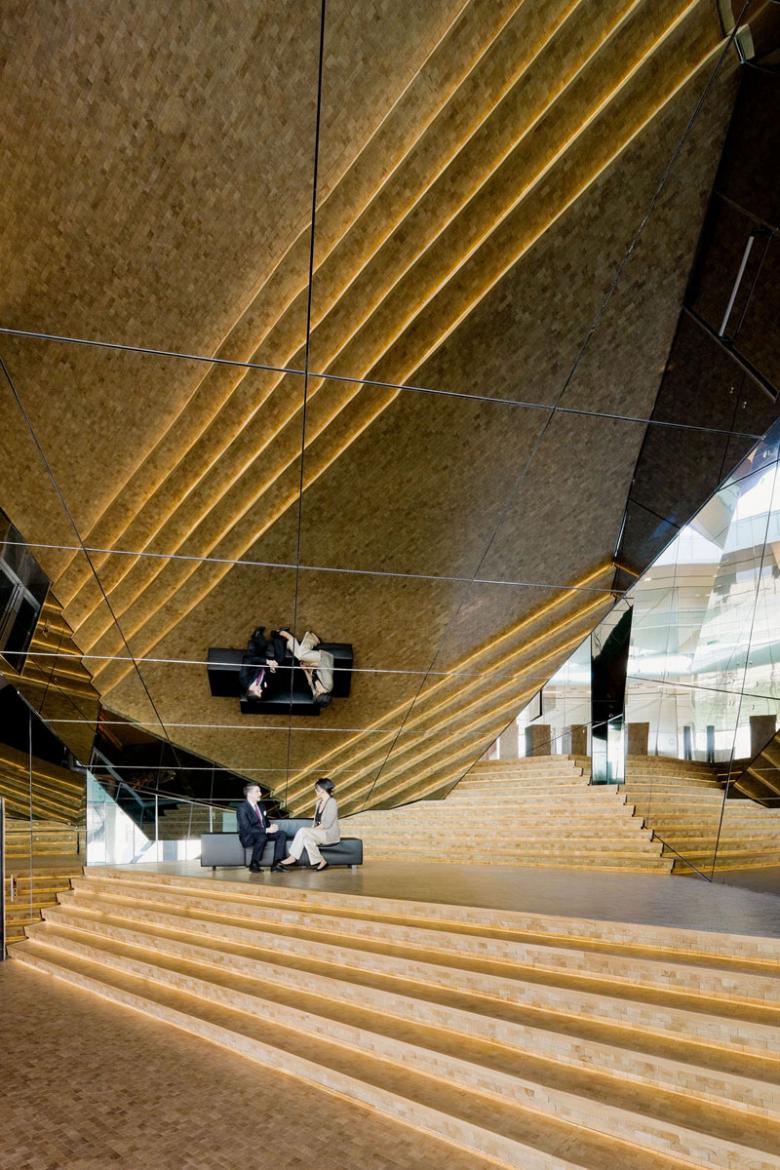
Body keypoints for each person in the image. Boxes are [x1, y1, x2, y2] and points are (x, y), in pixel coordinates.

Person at [278, 779, 339, 871]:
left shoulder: (332, 802)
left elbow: (327, 823)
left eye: (316, 789)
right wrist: (312, 830)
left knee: (303, 830)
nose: (315, 791)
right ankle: (322, 861)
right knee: (306, 840)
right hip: (320, 833)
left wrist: (312, 831)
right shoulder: (318, 803)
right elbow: (316, 821)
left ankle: (292, 857)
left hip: (329, 834)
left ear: (322, 790)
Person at [236, 783, 287, 872]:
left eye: (260, 791)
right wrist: (266, 830)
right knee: (262, 836)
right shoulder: (242, 808)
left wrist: (271, 827)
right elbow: (247, 829)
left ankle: (276, 864)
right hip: (249, 836)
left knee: (281, 834)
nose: (260, 794)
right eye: (257, 791)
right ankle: (254, 863)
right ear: (249, 794)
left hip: (263, 832)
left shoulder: (261, 805)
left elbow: (265, 822)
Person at [279, 629, 334, 707]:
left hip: (312, 668)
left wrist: (304, 669)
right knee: (300, 655)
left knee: (299, 653)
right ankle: (289, 636)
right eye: (317, 694)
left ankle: (312, 640)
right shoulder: (328, 684)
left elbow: (310, 682)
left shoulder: (316, 693)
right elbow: (322, 665)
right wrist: (308, 665)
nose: (315, 693)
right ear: (322, 693)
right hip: (322, 659)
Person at [239, 626, 290, 699]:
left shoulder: (244, 678)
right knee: (280, 659)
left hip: (256, 659)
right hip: (265, 667)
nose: (261, 691)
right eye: (260, 693)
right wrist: (273, 670)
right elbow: (270, 678)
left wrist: (267, 661)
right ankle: (277, 635)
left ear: (251, 690)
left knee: (262, 644)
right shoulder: (262, 688)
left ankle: (256, 635)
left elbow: (248, 659)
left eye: (258, 692)